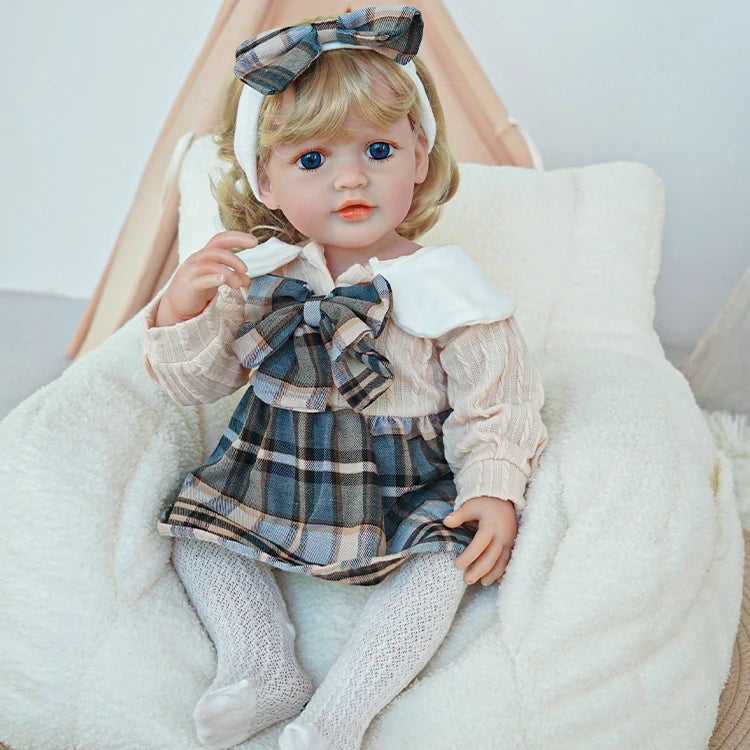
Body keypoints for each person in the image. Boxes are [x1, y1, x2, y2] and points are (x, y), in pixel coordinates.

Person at [142, 6, 548, 749]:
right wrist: (180, 305)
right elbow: (194, 384)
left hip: (400, 480)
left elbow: (498, 403)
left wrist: (493, 487)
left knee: (444, 565)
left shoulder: (448, 287)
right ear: (265, 182)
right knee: (195, 530)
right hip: (277, 463)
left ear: (420, 157)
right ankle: (262, 664)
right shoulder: (260, 276)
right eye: (311, 161)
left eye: (380, 149)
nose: (351, 178)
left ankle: (338, 716)